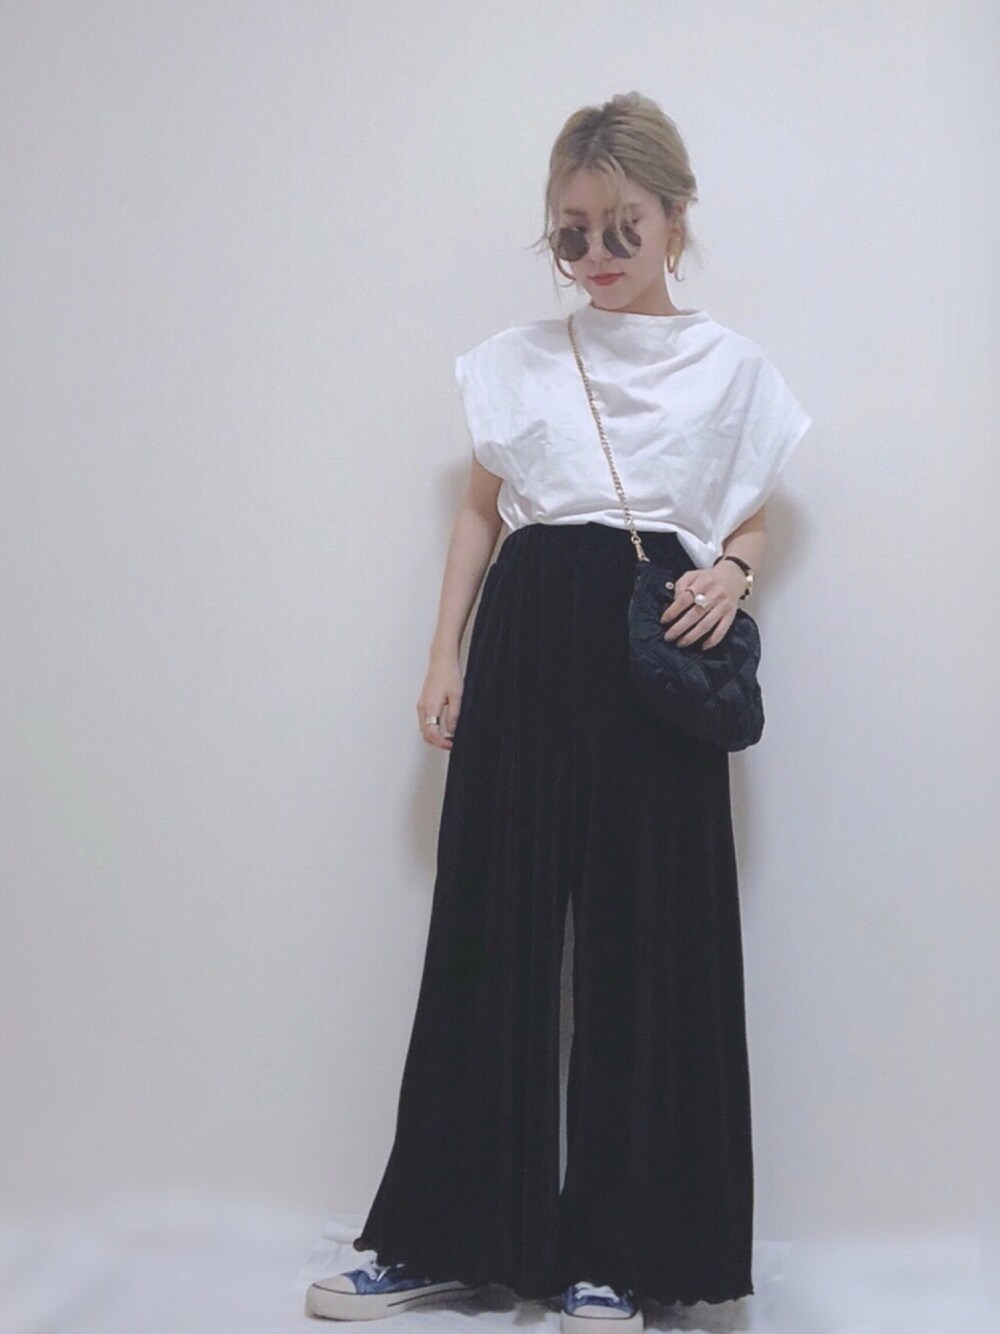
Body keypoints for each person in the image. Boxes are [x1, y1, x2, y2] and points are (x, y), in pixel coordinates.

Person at [304, 91, 812, 1332]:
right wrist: (444, 653)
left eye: (620, 226)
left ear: (674, 218)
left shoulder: (732, 367)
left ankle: (626, 1253)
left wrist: (731, 572)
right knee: (490, 928)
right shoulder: (518, 359)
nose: (594, 254)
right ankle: (446, 1234)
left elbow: (751, 514)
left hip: (654, 647)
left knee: (650, 945)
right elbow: (480, 512)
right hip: (526, 638)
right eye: (571, 232)